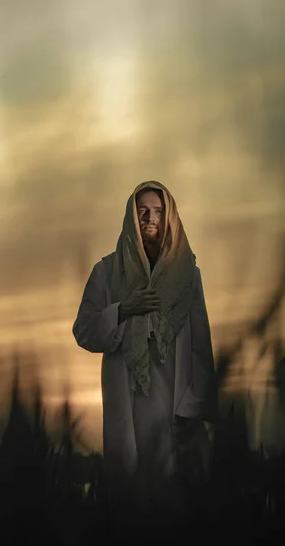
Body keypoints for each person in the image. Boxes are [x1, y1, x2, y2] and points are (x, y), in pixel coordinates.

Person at [72, 180, 218, 513]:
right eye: (143, 212)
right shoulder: (107, 272)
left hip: (175, 408)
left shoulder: (188, 277)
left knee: (176, 504)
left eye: (158, 211)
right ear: (131, 218)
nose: (150, 219)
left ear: (170, 218)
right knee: (131, 503)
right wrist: (124, 309)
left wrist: (195, 408)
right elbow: (83, 330)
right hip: (129, 403)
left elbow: (200, 344)